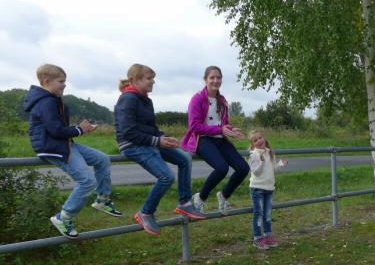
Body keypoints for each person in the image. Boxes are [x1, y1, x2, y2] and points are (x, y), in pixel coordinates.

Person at [23, 64, 123, 238]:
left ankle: (102, 200)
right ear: (46, 81)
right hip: (52, 147)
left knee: (102, 159)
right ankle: (63, 217)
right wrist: (79, 129)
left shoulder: (52, 99)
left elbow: (57, 128)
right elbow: (55, 130)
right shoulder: (46, 102)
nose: (64, 85)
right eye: (61, 81)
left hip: (64, 143)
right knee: (87, 181)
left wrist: (80, 129)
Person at [114, 63, 206, 235]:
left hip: (148, 142)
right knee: (166, 177)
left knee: (185, 159)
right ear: (135, 80)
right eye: (149, 78)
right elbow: (128, 132)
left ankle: (185, 203)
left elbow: (151, 128)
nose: (153, 82)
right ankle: (145, 212)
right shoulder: (128, 99)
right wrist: (157, 141)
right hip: (132, 144)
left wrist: (164, 138)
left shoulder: (146, 99)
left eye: (153, 78)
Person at [181, 66, 248, 215]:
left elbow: (223, 124)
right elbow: (194, 126)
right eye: (212, 77)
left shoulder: (222, 101)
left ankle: (224, 195)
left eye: (218, 77)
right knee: (222, 168)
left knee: (243, 168)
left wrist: (230, 130)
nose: (215, 80)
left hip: (219, 139)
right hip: (202, 139)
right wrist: (220, 130)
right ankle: (200, 197)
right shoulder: (197, 98)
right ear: (205, 80)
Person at [247, 129, 287, 249]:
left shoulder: (270, 153)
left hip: (269, 188)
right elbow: (256, 172)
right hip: (257, 189)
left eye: (260, 138)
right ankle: (257, 238)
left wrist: (280, 165)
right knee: (258, 214)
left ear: (264, 138)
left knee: (268, 214)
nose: (259, 141)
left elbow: (274, 170)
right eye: (255, 140)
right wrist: (261, 162)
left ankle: (268, 235)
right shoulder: (253, 155)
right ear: (252, 144)